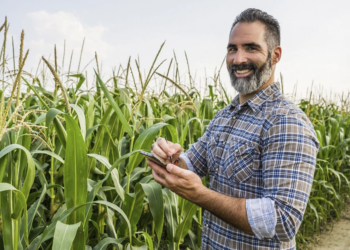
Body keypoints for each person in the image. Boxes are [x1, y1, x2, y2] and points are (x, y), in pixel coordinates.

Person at [147, 8, 319, 250]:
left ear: (275, 55)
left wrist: (200, 195)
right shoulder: (224, 116)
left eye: (251, 48)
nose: (238, 59)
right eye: (232, 49)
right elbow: (193, 162)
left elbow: (283, 220)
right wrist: (169, 158)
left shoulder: (286, 121)